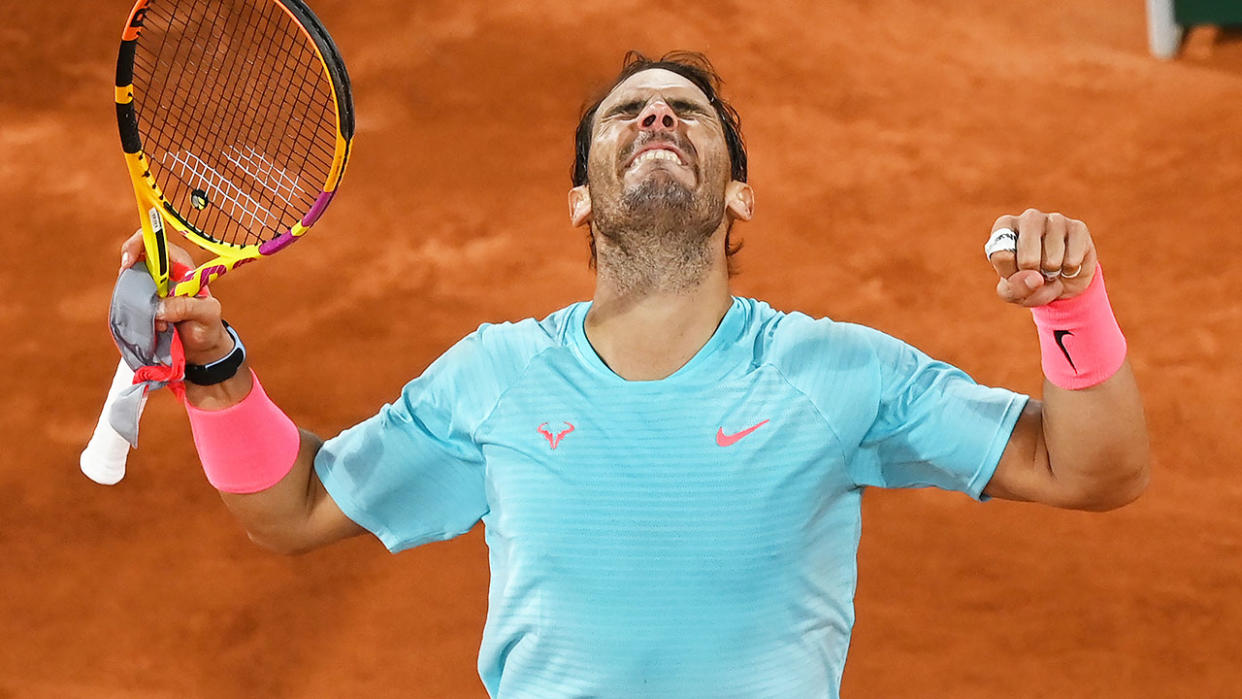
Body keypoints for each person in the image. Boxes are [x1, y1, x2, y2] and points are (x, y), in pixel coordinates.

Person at [122, 51, 1149, 698]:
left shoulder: (835, 372)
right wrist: (215, 373)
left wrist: (1071, 308)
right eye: (628, 113)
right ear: (582, 201)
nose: (656, 118)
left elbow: (1092, 470)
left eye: (685, 112)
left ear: (738, 197)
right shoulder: (497, 376)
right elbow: (293, 509)